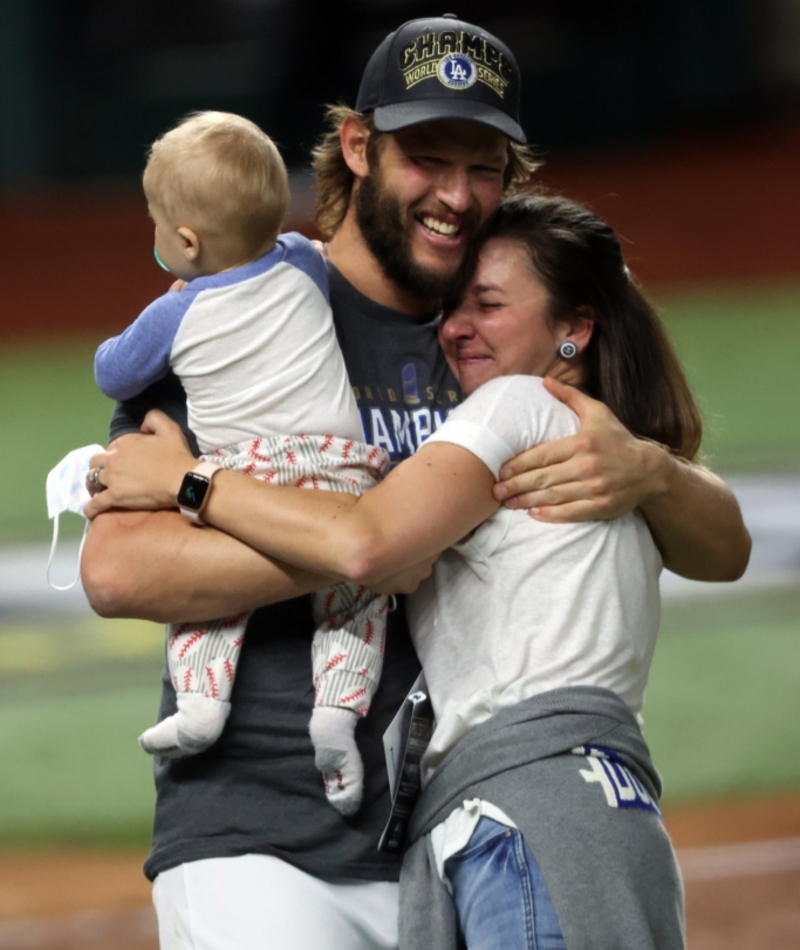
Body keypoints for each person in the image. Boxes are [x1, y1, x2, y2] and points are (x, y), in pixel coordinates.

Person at [81, 15, 750, 950]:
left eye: (484, 168)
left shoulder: (497, 336)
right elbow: (116, 570)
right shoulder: (241, 303)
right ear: (357, 147)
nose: (457, 195)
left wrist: (647, 473)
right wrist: (379, 536)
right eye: (427, 159)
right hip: (259, 844)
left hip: (454, 840)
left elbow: (723, 546)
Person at [92, 110, 389, 814]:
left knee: (212, 595)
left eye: (158, 225)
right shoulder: (305, 261)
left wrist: (168, 306)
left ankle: (201, 703)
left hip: (247, 475)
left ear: (186, 241)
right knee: (357, 604)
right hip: (343, 469)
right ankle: (338, 715)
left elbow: (113, 371)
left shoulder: (179, 311)